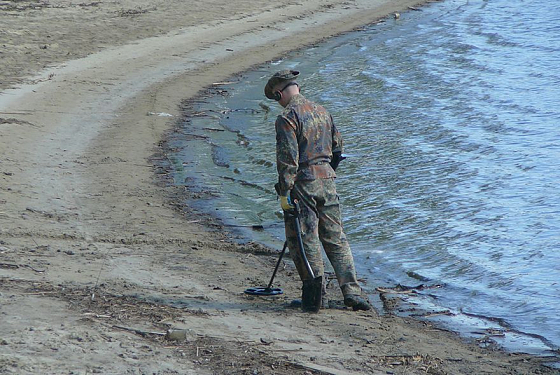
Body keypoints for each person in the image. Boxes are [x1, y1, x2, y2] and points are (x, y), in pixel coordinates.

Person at [264, 70, 372, 312]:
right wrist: (326, 171)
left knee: (306, 238)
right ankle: (352, 293)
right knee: (336, 237)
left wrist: (284, 192)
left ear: (279, 93)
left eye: (275, 97)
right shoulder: (323, 112)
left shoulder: (287, 117)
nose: (277, 102)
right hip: (328, 180)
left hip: (304, 183)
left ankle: (315, 298)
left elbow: (288, 160)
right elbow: (338, 150)